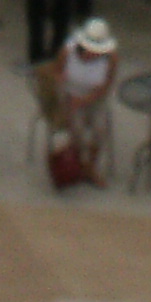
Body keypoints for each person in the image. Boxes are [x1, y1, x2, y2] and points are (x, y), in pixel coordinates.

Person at [53, 18, 119, 182]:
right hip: (71, 96)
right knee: (78, 130)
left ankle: (90, 167)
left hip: (94, 97)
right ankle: (77, 164)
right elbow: (55, 71)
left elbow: (106, 86)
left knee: (99, 129)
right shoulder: (68, 51)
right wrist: (61, 81)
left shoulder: (111, 59)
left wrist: (88, 99)